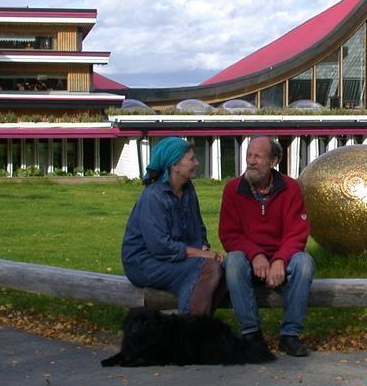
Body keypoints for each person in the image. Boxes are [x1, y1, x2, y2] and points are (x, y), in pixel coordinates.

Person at [219, 136, 315, 357]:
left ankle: (290, 335)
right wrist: (256, 255)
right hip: (249, 259)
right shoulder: (233, 189)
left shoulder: (291, 188)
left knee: (305, 263)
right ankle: (251, 334)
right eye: (249, 156)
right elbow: (229, 234)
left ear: (273, 161)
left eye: (258, 157)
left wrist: (280, 259)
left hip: (282, 259)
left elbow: (298, 232)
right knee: (232, 261)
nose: (251, 161)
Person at [121, 137, 224, 315]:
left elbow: (198, 228)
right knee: (207, 267)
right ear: (175, 166)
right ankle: (187, 332)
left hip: (174, 257)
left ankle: (198, 326)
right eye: (191, 159)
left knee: (224, 268)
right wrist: (201, 254)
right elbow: (159, 246)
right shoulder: (154, 196)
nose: (197, 163)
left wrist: (203, 246)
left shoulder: (189, 191)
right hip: (145, 262)